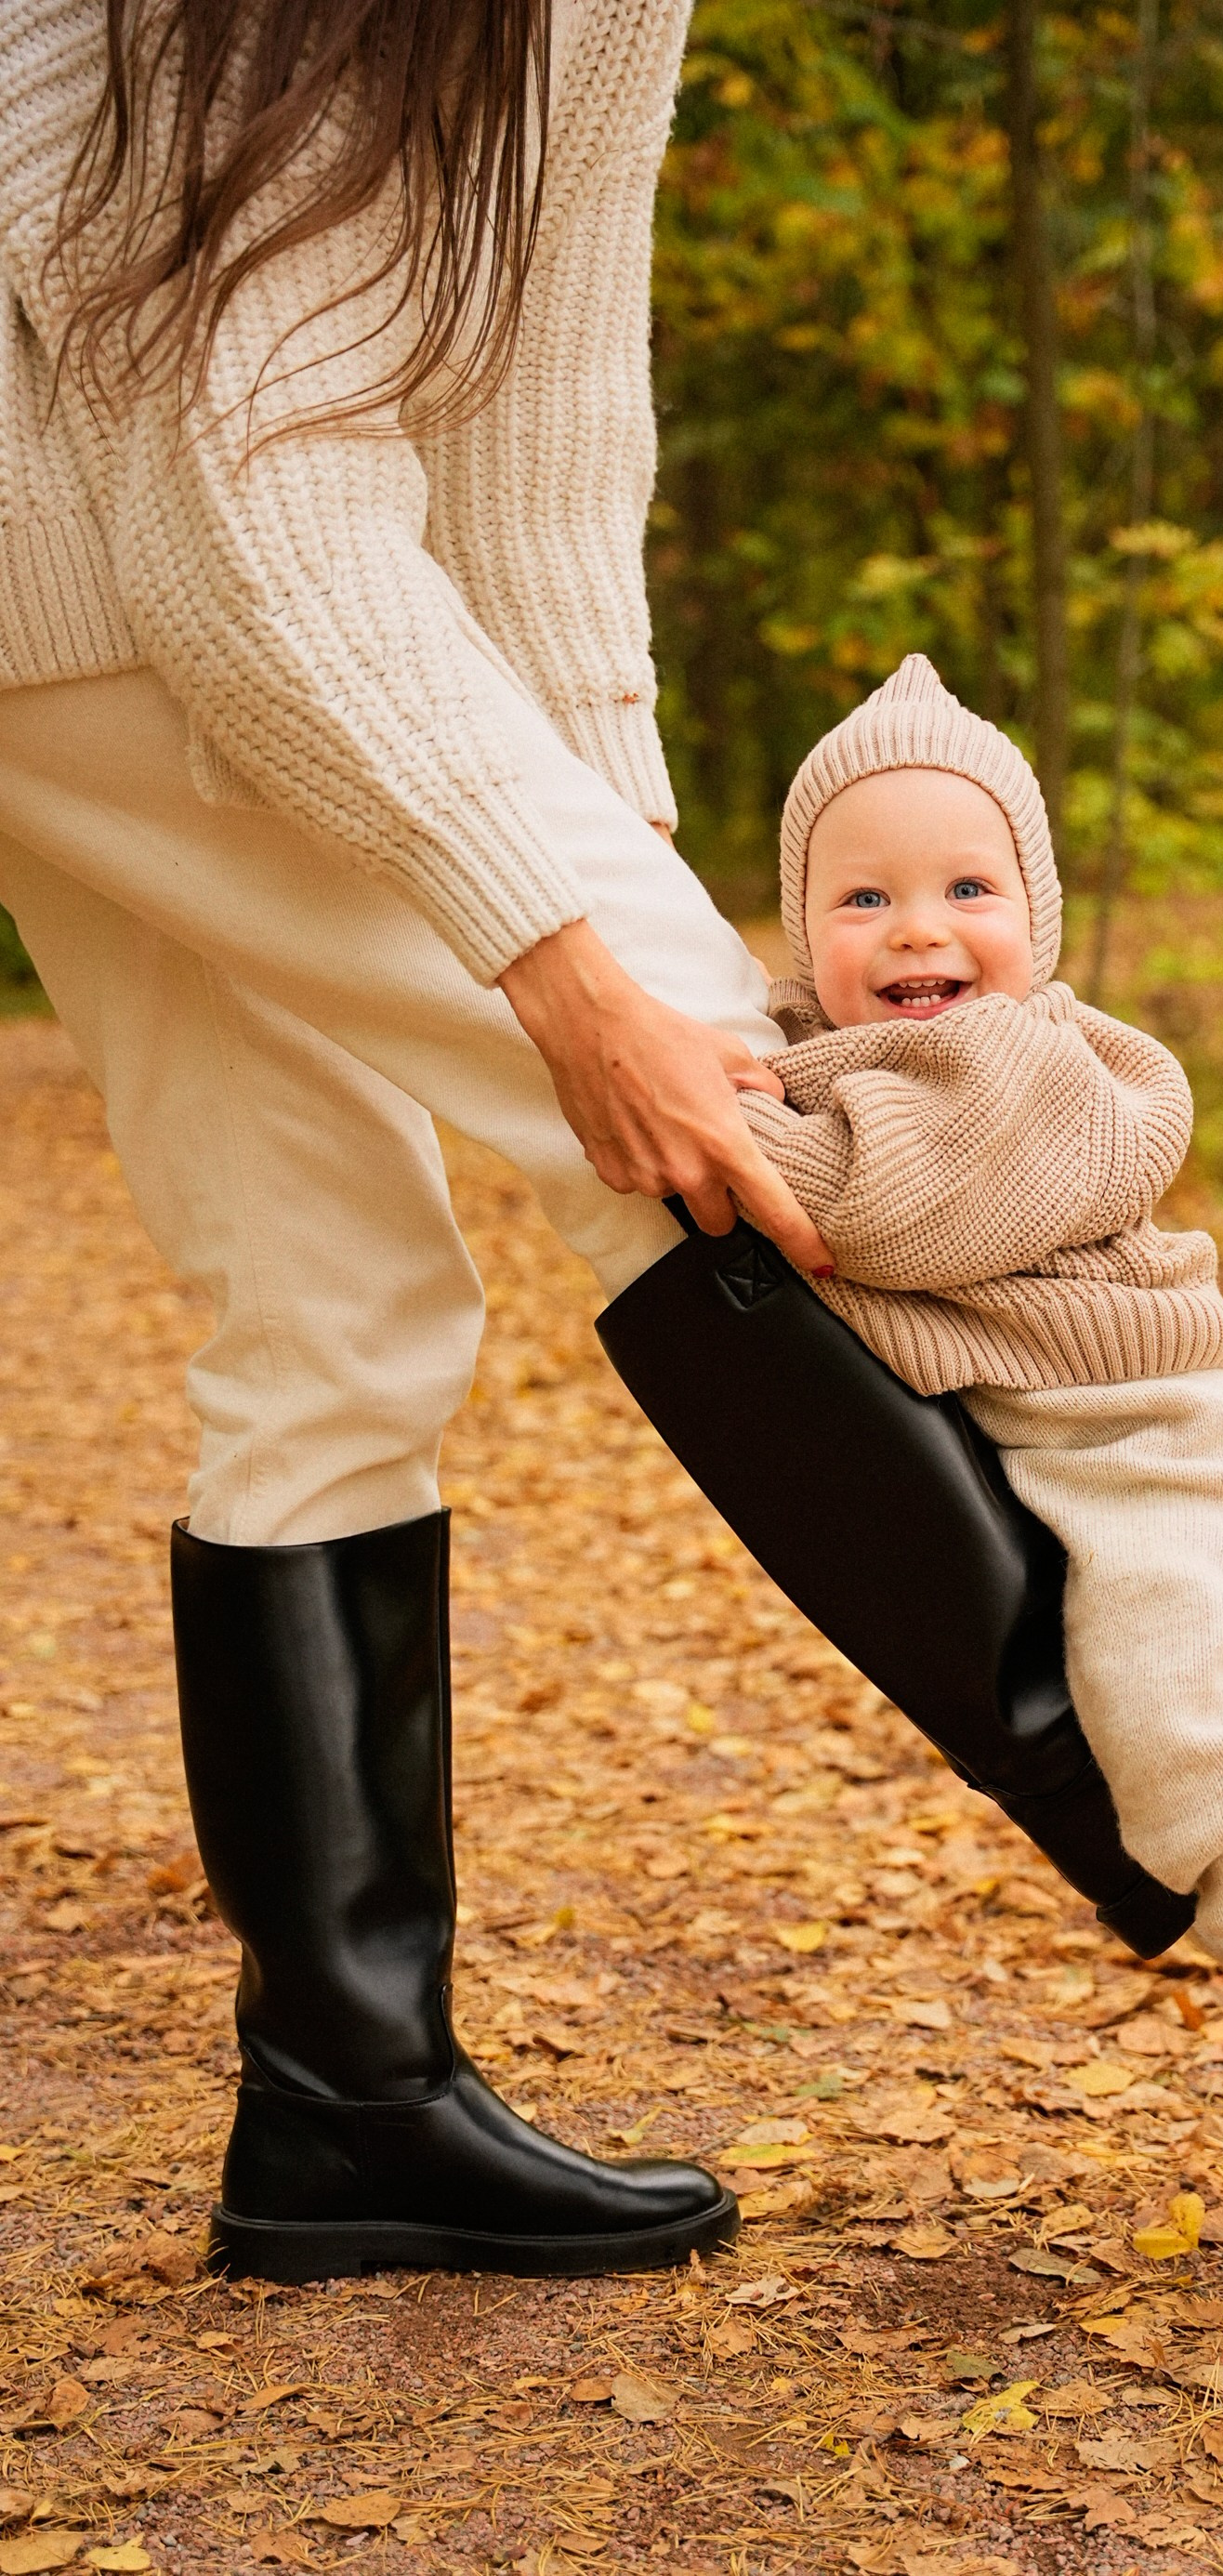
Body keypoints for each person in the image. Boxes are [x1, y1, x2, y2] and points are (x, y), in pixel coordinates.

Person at [0, 0, 831, 2282]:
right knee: (735, 1105)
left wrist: (608, 799)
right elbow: (244, 433)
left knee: (329, 1308)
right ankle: (1151, 1692)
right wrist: (571, 949)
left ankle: (342, 2107)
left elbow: (545, 417)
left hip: (69, 582)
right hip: (131, 572)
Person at [739, 655, 1223, 2230]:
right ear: (802, 933)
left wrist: (738, 1115)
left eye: (966, 888)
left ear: (1036, 917)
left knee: (1164, 1694)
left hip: (1166, 1452)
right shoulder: (821, 1066)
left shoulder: (1043, 1068)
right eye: (863, 898)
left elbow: (889, 1213)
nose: (917, 929)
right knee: (1079, 1709)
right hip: (1050, 1462)